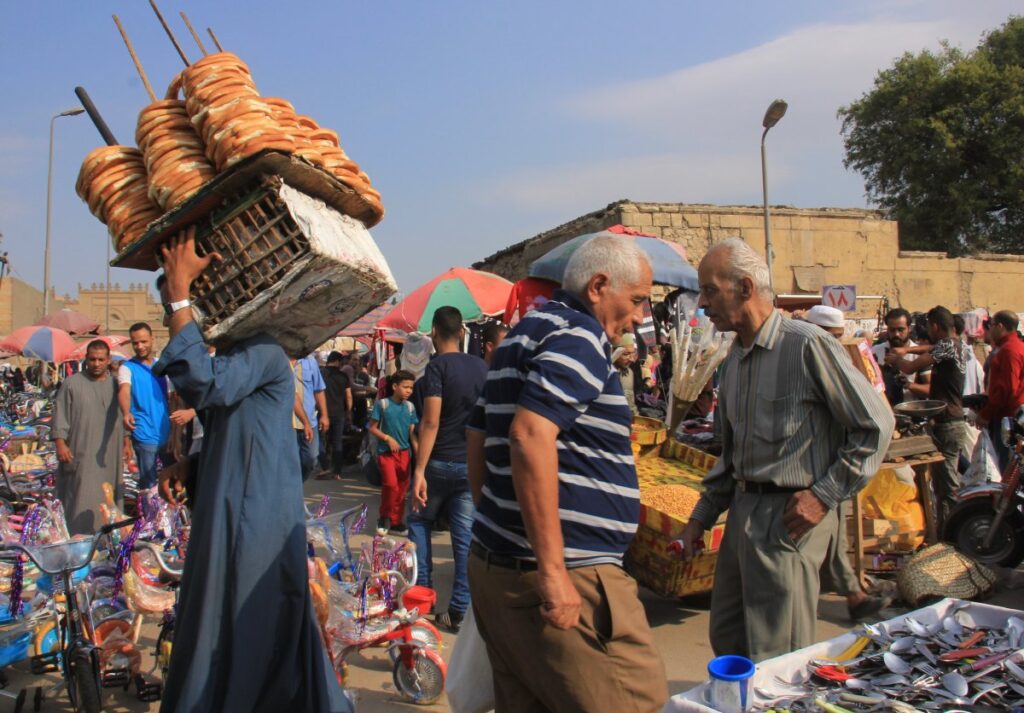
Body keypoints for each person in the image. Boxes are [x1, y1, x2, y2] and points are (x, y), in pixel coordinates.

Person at [466, 235, 668, 713]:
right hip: (567, 575)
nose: (641, 316)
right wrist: (553, 572)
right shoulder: (578, 335)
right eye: (637, 300)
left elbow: (479, 437)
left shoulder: (522, 334)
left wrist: (501, 522)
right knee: (636, 702)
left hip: (503, 565)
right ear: (599, 285)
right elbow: (529, 435)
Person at [152, 230, 350, 713]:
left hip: (253, 523)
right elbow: (245, 440)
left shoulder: (261, 351)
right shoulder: (246, 356)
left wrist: (179, 295)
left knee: (244, 628)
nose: (181, 311)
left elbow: (203, 384)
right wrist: (192, 464)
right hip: (236, 513)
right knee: (229, 624)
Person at [678, 238, 893, 662]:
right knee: (730, 644)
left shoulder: (808, 345)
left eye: (709, 290)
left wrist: (824, 496)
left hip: (789, 520)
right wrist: (700, 518)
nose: (702, 304)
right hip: (741, 516)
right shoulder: (733, 358)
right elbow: (731, 454)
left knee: (779, 656)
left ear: (744, 287)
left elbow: (875, 425)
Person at [804, 304, 892, 620]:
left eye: (839, 337)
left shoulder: (840, 361)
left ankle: (854, 594)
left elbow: (875, 418)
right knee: (830, 534)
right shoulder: (807, 360)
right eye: (831, 337)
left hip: (834, 467)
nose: (835, 343)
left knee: (835, 533)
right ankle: (853, 595)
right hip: (813, 468)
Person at [409, 307, 488, 634]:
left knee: (418, 520)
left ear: (434, 333)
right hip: (469, 464)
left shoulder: (436, 368)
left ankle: (423, 599)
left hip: (439, 462)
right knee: (464, 539)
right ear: (461, 333)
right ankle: (459, 610)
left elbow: (430, 421)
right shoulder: (482, 367)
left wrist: (419, 470)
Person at [885, 306, 969, 522]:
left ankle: (952, 534)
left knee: (947, 486)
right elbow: (931, 348)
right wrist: (907, 350)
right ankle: (945, 532)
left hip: (948, 422)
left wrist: (897, 361)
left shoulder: (947, 346)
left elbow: (912, 368)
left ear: (934, 325)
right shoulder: (956, 344)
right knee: (943, 485)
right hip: (952, 420)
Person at [52, 340, 124, 535]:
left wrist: (128, 443)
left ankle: (108, 541)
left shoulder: (117, 385)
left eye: (101, 359)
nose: (96, 363)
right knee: (79, 495)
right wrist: (60, 443)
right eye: (92, 359)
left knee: (109, 496)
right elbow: (60, 416)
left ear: (109, 360)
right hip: (80, 451)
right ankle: (78, 540)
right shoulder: (72, 384)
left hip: (109, 456)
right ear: (86, 359)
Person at [118, 322, 172, 492]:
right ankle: (150, 517)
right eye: (135, 343)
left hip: (167, 432)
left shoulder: (161, 366)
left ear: (152, 339)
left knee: (173, 479)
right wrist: (126, 413)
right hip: (144, 433)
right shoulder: (127, 368)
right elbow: (124, 391)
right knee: (149, 484)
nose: (140, 346)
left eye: (143, 341)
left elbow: (173, 396)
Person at [368, 370, 419, 534]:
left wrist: (418, 455)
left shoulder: (410, 407)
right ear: (395, 386)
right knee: (390, 485)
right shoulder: (382, 404)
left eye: (411, 387)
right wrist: (387, 438)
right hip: (386, 453)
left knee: (402, 489)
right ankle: (384, 518)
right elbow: (372, 428)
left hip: (405, 454)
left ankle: (396, 521)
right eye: (405, 387)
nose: (409, 391)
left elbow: (412, 434)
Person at [977, 310, 1024, 471]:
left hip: (1008, 420)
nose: (989, 330)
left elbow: (1007, 388)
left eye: (991, 326)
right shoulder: (1016, 347)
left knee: (1008, 469)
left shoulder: (1009, 351)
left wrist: (985, 414)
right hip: (1013, 416)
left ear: (1000, 326)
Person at [871, 308, 930, 406]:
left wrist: (909, 385)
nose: (896, 334)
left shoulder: (918, 353)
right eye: (892, 330)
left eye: (900, 329)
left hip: (912, 414)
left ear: (909, 328)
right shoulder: (875, 352)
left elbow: (930, 389)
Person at [292, 353, 329, 481]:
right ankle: (293, 492)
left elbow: (318, 389)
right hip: (287, 423)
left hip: (309, 421)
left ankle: (297, 485)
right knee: (290, 461)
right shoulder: (280, 359)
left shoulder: (310, 361)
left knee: (311, 458)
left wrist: (324, 415)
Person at [320, 351, 352, 479]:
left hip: (323, 413)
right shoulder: (343, 376)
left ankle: (325, 466)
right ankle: (337, 472)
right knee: (337, 442)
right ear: (338, 361)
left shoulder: (320, 373)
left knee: (320, 440)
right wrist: (349, 412)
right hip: (339, 413)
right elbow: (348, 396)